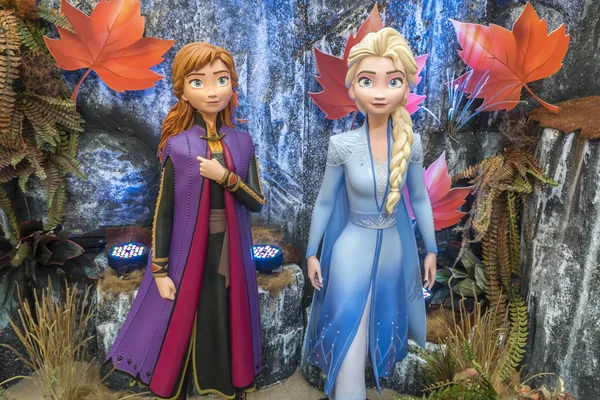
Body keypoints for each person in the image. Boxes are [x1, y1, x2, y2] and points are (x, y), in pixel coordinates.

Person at [106, 42, 265, 400]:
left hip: (231, 251)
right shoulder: (178, 146)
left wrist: (226, 177)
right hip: (188, 252)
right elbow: (164, 212)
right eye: (198, 82)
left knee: (226, 313)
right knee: (184, 314)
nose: (212, 91)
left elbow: (256, 202)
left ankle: (225, 380)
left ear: (232, 83)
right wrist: (160, 271)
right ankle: (177, 384)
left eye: (221, 79)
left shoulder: (242, 142)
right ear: (182, 91)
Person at [302, 27, 437, 400]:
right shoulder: (342, 145)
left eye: (392, 81)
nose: (379, 92)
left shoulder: (411, 144)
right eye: (367, 80)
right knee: (350, 329)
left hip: (393, 253)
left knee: (376, 329)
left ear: (405, 88)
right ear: (353, 88)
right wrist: (312, 252)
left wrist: (431, 249)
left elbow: (419, 198)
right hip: (350, 251)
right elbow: (325, 202)